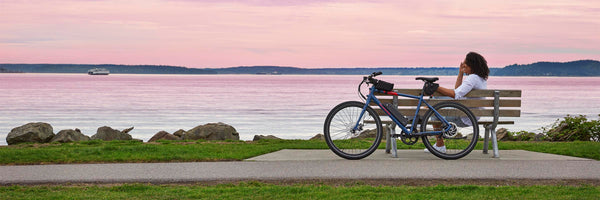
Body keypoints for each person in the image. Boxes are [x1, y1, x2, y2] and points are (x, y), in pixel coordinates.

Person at [425, 52, 489, 153]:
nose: (464, 66)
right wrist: (461, 73)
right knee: (436, 100)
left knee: (434, 112)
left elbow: (456, 94)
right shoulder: (481, 79)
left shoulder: (472, 78)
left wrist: (436, 87)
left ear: (471, 66)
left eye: (465, 65)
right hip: (474, 114)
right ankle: (422, 112)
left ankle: (440, 145)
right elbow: (458, 90)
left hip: (465, 117)